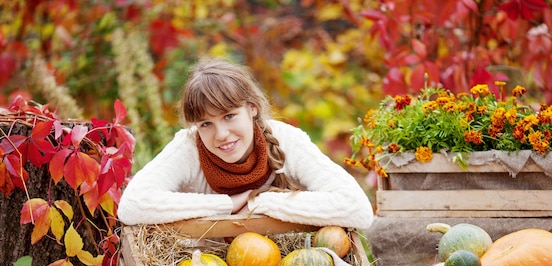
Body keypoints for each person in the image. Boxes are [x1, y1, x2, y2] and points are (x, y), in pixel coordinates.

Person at [117, 57, 374, 230]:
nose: (221, 134)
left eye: (229, 116)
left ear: (251, 108)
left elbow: (357, 208)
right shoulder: (188, 147)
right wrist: (226, 204)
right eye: (206, 123)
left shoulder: (287, 141)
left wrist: (259, 202)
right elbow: (133, 205)